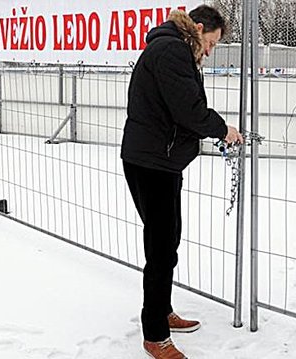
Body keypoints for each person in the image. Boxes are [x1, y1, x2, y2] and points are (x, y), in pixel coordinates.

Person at [120, 5, 243, 359]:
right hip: (152, 162)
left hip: (159, 159)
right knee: (161, 247)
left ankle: (162, 310)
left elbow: (180, 108)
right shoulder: (172, 50)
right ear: (199, 28)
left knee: (167, 241)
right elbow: (187, 109)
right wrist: (223, 130)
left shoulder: (174, 47)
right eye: (211, 43)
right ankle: (155, 335)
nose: (209, 51)